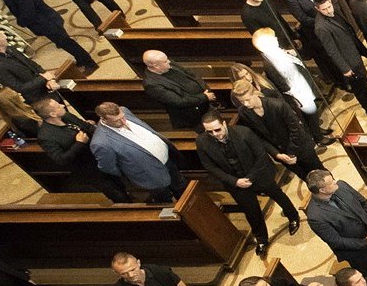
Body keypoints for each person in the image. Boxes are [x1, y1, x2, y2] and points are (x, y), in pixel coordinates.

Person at [196, 112, 301, 256]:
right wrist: (235, 181)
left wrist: (250, 178)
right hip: (235, 182)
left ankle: (293, 216)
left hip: (258, 174)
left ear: (224, 124)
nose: (215, 134)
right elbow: (210, 166)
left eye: (217, 129)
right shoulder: (202, 142)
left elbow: (261, 156)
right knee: (251, 211)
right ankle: (262, 239)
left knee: (278, 195)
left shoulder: (244, 132)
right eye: (210, 132)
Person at [90, 102, 187, 202]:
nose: (123, 121)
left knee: (182, 187)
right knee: (163, 198)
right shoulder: (101, 143)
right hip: (150, 175)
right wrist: (134, 171)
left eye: (122, 117)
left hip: (167, 161)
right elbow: (108, 168)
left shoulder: (124, 110)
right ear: (103, 119)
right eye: (116, 121)